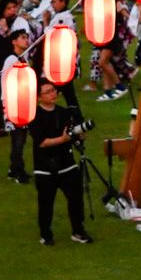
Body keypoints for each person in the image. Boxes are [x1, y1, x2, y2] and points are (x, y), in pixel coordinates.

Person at [31, 79, 93, 245]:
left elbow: (71, 134)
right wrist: (63, 138)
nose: (53, 94)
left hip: (67, 163)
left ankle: (78, 230)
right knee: (46, 203)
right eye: (48, 92)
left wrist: (78, 136)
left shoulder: (64, 112)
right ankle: (46, 234)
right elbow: (42, 142)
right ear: (38, 97)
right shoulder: (35, 116)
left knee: (76, 198)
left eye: (54, 90)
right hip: (45, 167)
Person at [0, 0, 35, 134]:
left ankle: (21, 120)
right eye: (8, 8)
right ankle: (3, 125)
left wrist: (5, 29)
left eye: (14, 7)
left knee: (17, 93)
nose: (12, 11)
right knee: (0, 93)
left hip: (14, 61)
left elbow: (23, 41)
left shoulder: (21, 22)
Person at [2, 29, 33, 184]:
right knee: (18, 139)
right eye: (22, 37)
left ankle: (14, 168)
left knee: (20, 138)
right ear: (14, 41)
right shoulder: (11, 61)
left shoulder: (23, 58)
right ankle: (18, 172)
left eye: (27, 37)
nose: (26, 40)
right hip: (13, 105)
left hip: (22, 104)